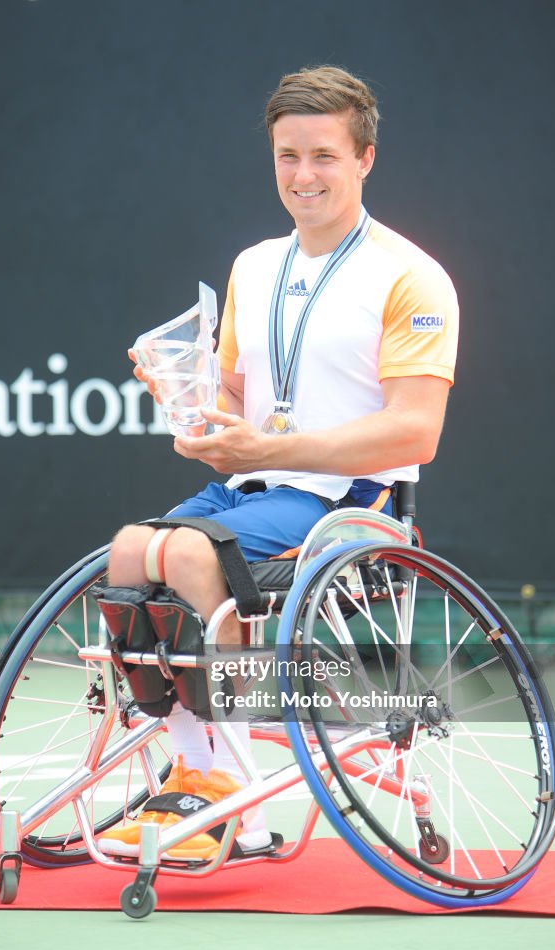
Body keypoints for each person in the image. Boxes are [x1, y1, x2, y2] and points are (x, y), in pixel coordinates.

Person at [97, 65, 459, 862]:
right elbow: (230, 407)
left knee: (186, 553)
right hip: (250, 487)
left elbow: (415, 433)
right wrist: (183, 398)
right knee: (129, 554)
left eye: (323, 157)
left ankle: (226, 799)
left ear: (364, 159)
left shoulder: (410, 274)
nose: (302, 176)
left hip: (350, 504)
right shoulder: (254, 265)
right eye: (287, 157)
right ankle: (201, 773)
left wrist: (273, 449)